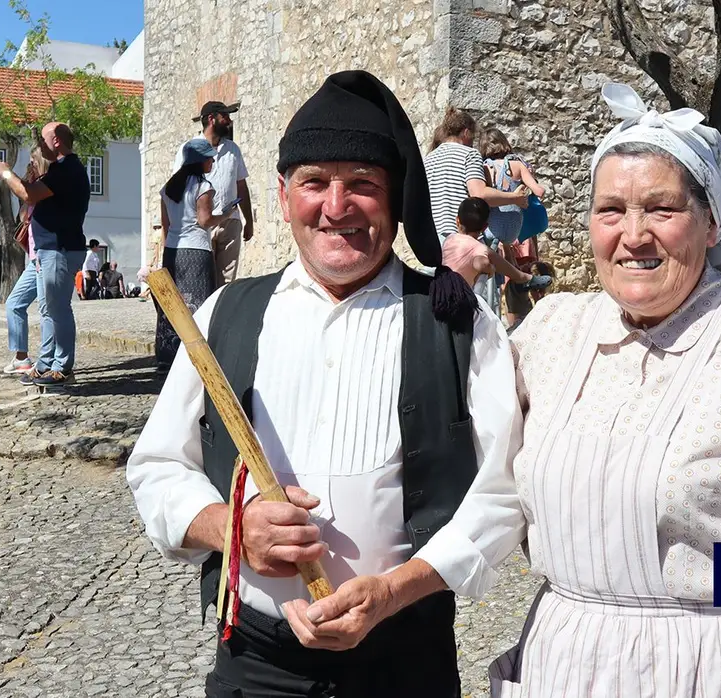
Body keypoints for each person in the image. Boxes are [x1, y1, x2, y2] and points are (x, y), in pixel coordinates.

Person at [298, 83, 721, 698]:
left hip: (719, 666)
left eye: (661, 208)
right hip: (568, 656)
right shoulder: (557, 331)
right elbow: (449, 443)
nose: (633, 235)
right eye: (611, 211)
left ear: (711, 220)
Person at [126, 71, 516, 697]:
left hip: (404, 665)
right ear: (282, 197)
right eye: (314, 184)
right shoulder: (224, 315)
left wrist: (394, 589)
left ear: (393, 198)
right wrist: (233, 527)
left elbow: (506, 490)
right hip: (256, 667)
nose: (336, 206)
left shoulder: (455, 323)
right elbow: (157, 467)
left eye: (362, 184)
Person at [0, 122, 92, 389]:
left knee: (58, 310)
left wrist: (6, 173)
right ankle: (46, 363)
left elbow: (28, 194)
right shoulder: (61, 170)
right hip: (51, 249)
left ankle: (62, 367)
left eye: (44, 140)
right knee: (48, 309)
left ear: (56, 141)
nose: (40, 146)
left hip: (60, 248)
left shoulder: (67, 169)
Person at [423, 108, 552, 303]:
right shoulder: (469, 155)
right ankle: (524, 279)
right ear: (466, 132)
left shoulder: (428, 159)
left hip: (435, 241)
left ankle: (524, 278)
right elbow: (480, 194)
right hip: (464, 240)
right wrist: (514, 198)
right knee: (480, 305)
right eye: (472, 137)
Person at [154, 139, 234, 370]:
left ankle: (167, 355)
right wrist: (226, 214)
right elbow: (205, 220)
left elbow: (166, 225)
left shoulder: (168, 188)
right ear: (200, 161)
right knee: (198, 302)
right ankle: (195, 355)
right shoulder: (203, 186)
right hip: (196, 249)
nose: (213, 161)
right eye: (210, 157)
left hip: (173, 249)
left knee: (172, 301)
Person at [173, 101, 255, 288]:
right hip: (201, 224)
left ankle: (220, 316)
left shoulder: (233, 149)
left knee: (226, 281)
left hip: (230, 222)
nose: (229, 120)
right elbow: (178, 187)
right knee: (202, 277)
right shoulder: (189, 149)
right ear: (211, 119)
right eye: (224, 116)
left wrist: (248, 221)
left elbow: (241, 186)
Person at [2, 148, 51, 375]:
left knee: (48, 309)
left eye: (33, 161)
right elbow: (23, 215)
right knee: (14, 303)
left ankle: (51, 361)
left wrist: (7, 174)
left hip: (46, 254)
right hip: (34, 257)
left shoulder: (48, 186)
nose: (30, 165)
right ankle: (21, 357)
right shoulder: (34, 187)